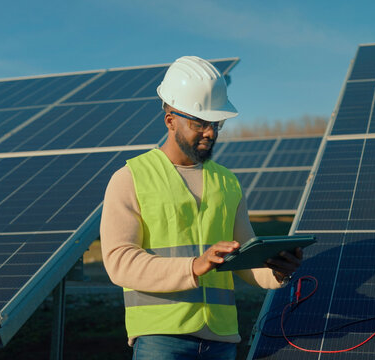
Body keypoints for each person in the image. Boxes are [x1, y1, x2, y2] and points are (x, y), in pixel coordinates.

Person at [100, 55, 303, 360]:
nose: (210, 132)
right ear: (170, 120)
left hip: (221, 339)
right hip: (161, 337)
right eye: (200, 123)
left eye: (216, 123)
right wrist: (193, 266)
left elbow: (246, 260)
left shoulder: (228, 182)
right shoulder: (130, 178)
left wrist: (276, 269)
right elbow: (119, 261)